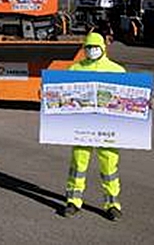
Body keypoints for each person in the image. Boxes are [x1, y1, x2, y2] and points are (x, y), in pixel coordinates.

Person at [63, 32, 125, 221]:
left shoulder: (117, 70)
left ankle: (112, 204)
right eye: (88, 47)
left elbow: (128, 98)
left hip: (108, 127)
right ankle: (73, 201)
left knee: (109, 165)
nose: (92, 50)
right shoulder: (74, 69)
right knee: (78, 164)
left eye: (95, 47)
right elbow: (61, 93)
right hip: (82, 126)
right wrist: (46, 93)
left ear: (103, 48)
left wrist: (147, 102)